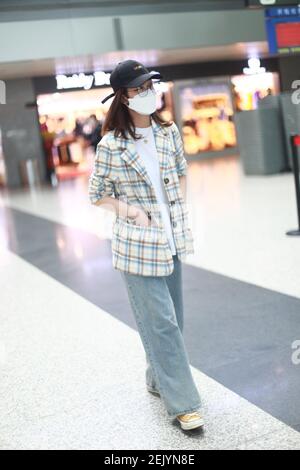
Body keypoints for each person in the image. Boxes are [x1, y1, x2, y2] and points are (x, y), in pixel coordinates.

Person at [88, 59, 204, 431]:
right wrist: (132, 213)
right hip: (137, 247)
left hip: (170, 240)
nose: (147, 93)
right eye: (138, 89)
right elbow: (97, 194)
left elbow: (182, 170)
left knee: (174, 322)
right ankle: (184, 405)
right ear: (122, 98)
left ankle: (157, 379)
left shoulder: (168, 131)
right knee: (164, 325)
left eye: (149, 86)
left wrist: (177, 208)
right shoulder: (111, 145)